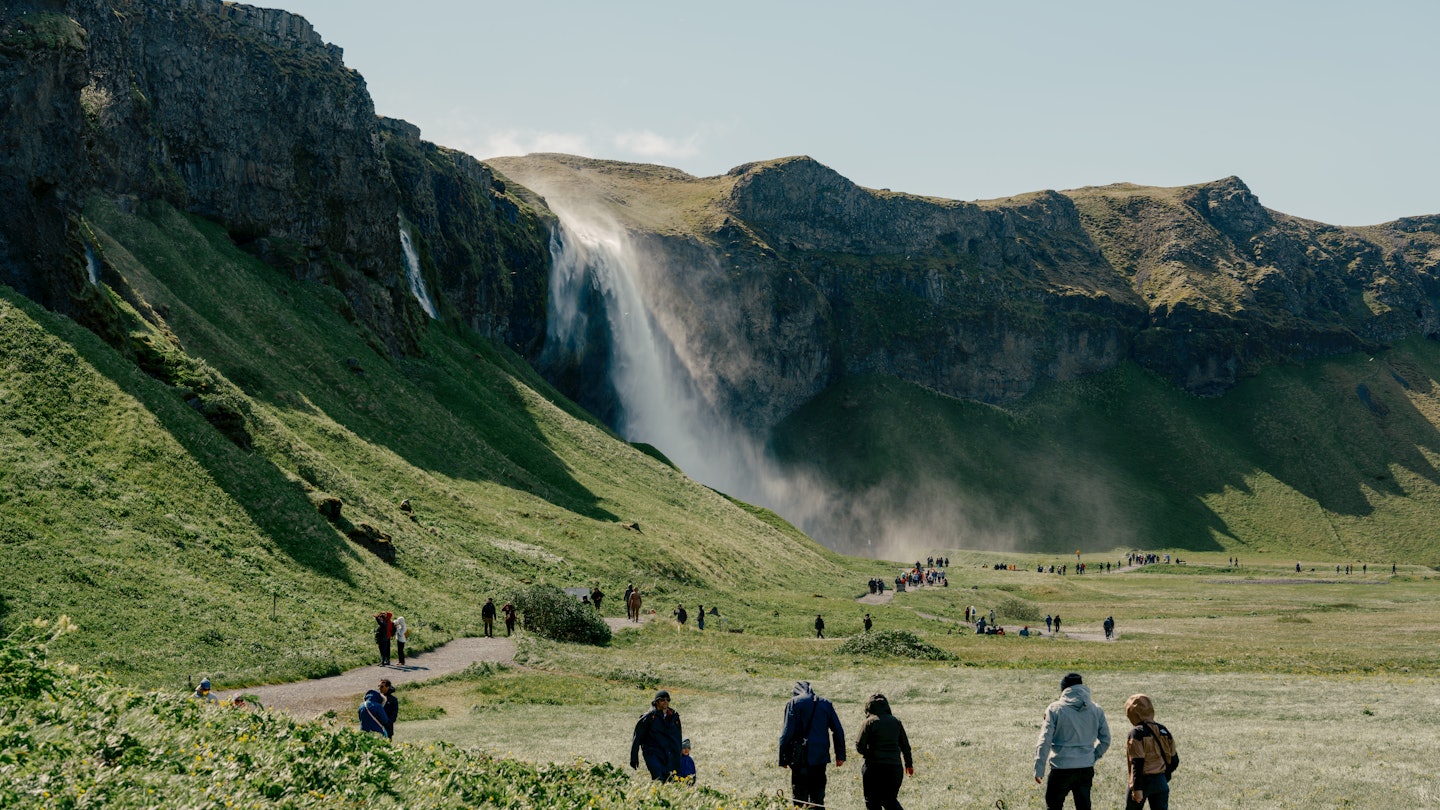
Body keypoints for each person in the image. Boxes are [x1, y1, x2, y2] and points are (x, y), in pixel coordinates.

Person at [1034, 672, 1111, 810]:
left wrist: (1039, 768)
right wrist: (1093, 756)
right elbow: (1106, 739)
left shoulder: (1055, 709)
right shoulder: (1096, 709)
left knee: (1054, 806)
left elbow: (1045, 740)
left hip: (1061, 767)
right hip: (1085, 766)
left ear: (1064, 690)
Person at [779, 680, 846, 809]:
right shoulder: (826, 704)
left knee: (799, 797)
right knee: (817, 797)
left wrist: (783, 759)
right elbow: (838, 731)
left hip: (799, 758)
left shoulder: (793, 703)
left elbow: (786, 733)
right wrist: (840, 755)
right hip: (820, 757)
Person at [855, 693, 913, 810]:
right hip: (894, 768)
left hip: (874, 768)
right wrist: (909, 764)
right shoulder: (896, 721)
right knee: (890, 800)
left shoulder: (869, 722)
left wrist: (869, 754)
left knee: (872, 801)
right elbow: (905, 746)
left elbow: (859, 745)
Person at [1123, 694, 1178, 810]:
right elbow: (1174, 760)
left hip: (1142, 781)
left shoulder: (1136, 733)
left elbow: (1137, 762)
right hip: (1160, 781)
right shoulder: (1163, 730)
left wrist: (1137, 788)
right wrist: (1163, 776)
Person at [631, 689, 683, 781]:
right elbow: (637, 737)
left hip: (668, 754)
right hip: (652, 753)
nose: (665, 702)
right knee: (658, 779)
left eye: (668, 699)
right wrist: (634, 757)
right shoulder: (649, 717)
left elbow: (678, 738)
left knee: (669, 780)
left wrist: (678, 755)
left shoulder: (674, 716)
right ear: (656, 702)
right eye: (662, 699)